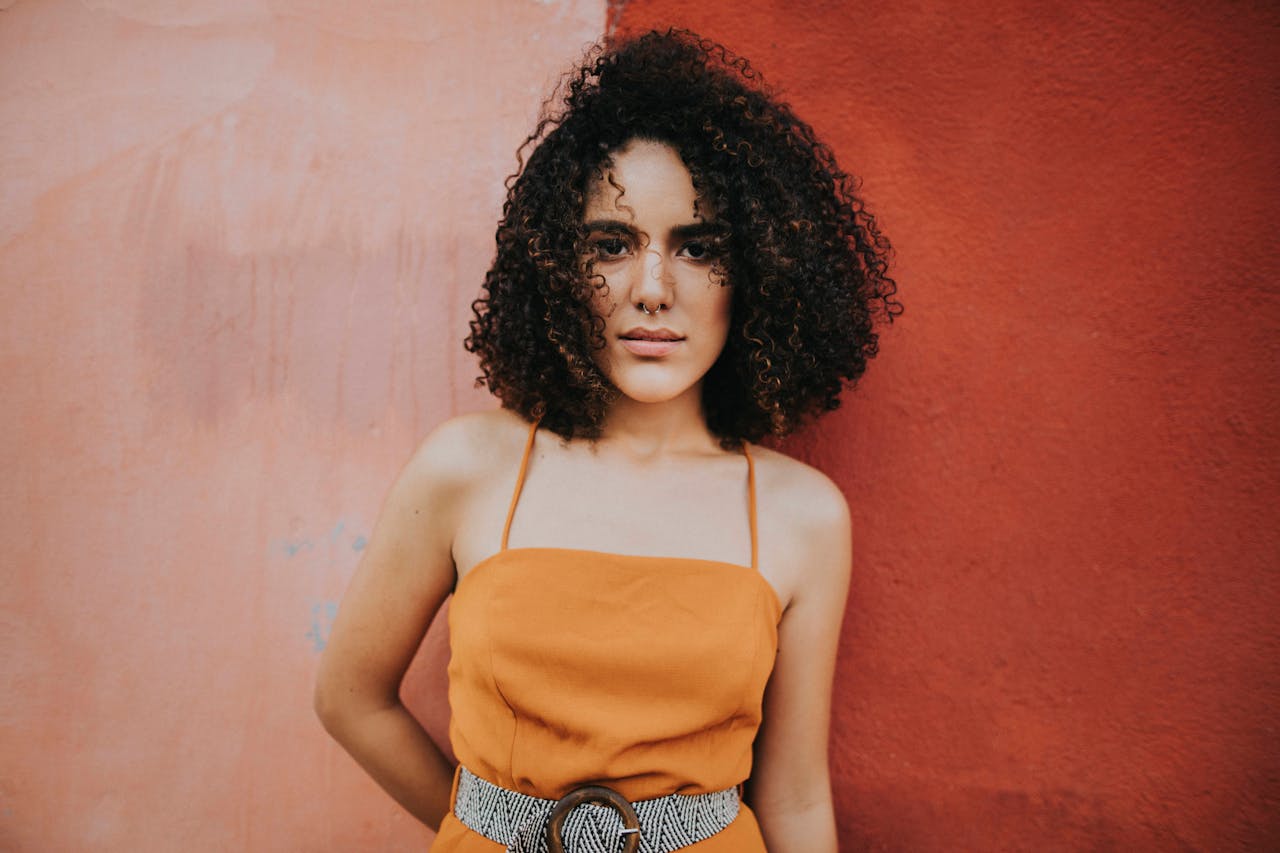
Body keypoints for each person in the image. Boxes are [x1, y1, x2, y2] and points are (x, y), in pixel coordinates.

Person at [314, 28, 899, 853]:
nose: (652, 289)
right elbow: (350, 698)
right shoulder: (466, 468)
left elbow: (796, 797)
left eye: (699, 248)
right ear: (557, 266)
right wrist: (495, 828)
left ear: (759, 274)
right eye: (611, 244)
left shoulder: (803, 514)